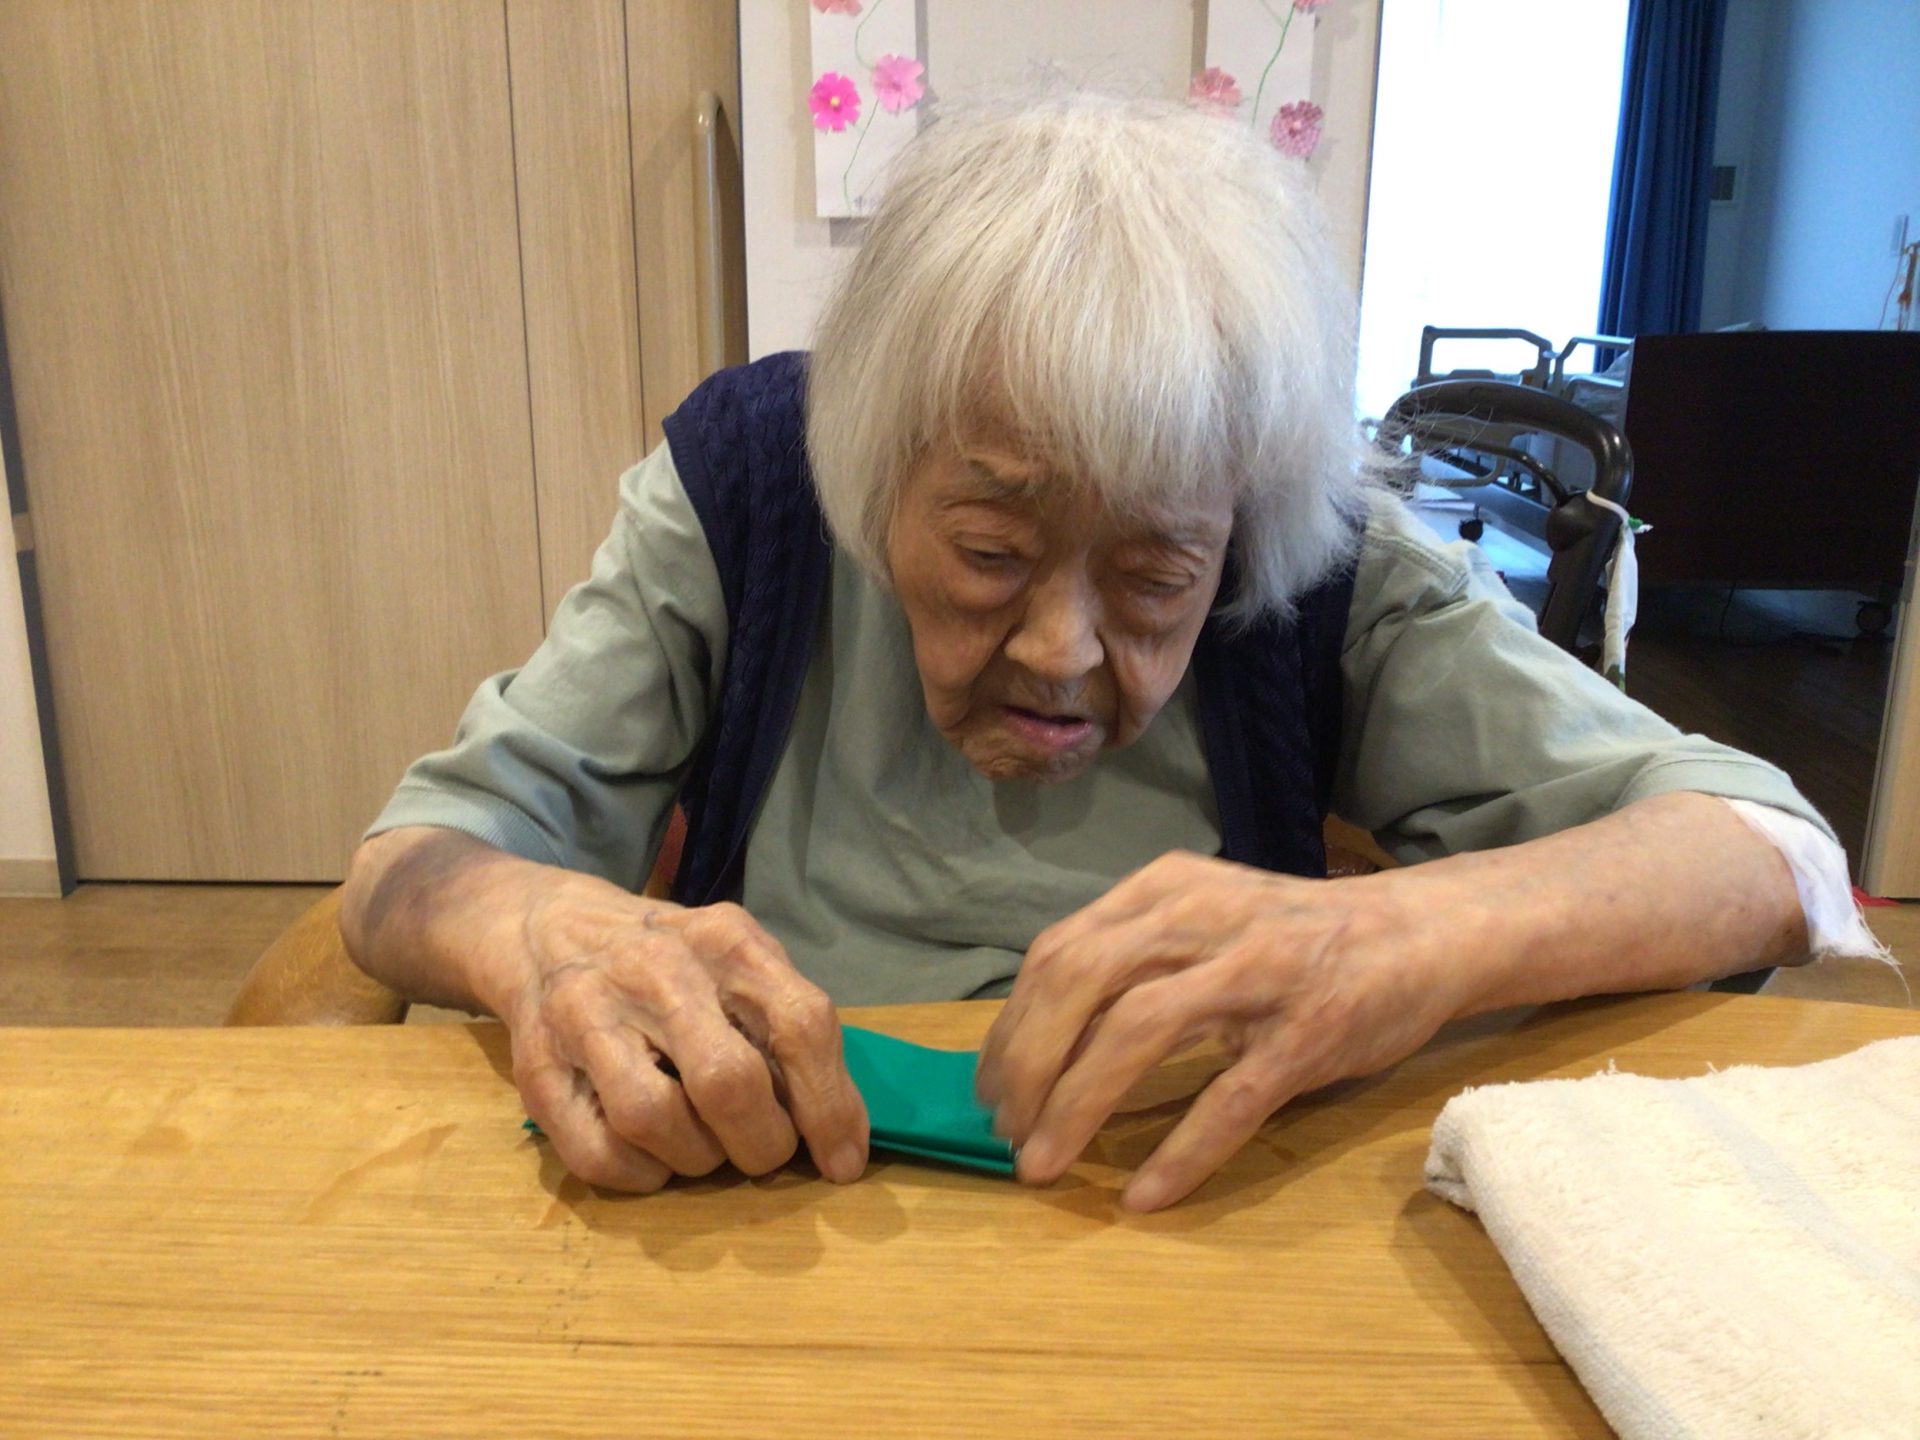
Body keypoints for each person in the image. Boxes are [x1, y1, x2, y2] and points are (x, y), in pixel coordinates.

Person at [340, 95, 1874, 1213]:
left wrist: (1394, 935)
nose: (1063, 651)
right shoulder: (748, 490)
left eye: (1156, 574)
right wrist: (545, 930)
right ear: (872, 469)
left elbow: (1780, 856)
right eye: (990, 551)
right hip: (753, 1197)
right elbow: (416, 863)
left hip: (1195, 1211)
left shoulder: (1314, 545)